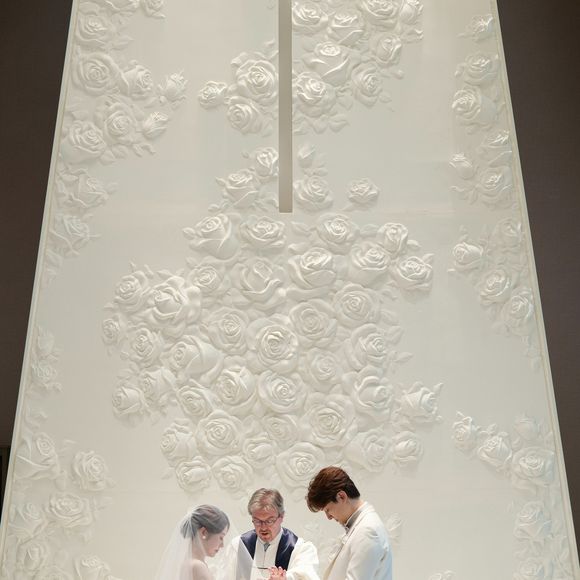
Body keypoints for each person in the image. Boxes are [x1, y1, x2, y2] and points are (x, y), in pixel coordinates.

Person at [306, 467, 392, 580]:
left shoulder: (367, 531)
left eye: (328, 510)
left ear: (341, 496)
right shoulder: (362, 526)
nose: (328, 517)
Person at [222, 488, 319, 580]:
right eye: (257, 521)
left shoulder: (300, 548)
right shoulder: (238, 546)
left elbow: (306, 574)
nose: (263, 527)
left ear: (281, 516)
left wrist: (285, 578)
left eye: (269, 521)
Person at [155, 504, 230, 580]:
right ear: (204, 532)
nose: (222, 545)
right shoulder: (198, 566)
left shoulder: (188, 563)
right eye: (221, 537)